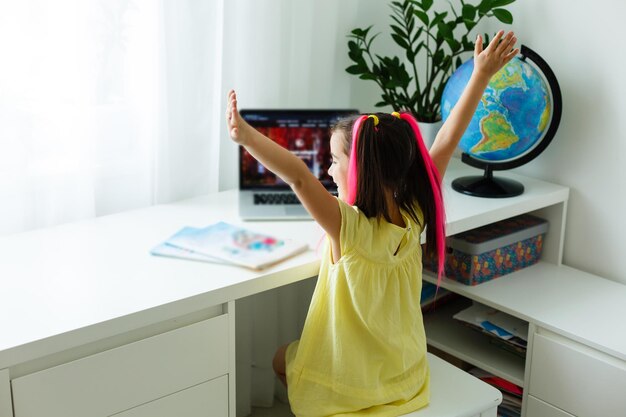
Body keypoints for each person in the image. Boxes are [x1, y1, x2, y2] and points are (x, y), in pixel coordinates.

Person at [226, 30, 518, 417]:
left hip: (350, 386)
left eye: (334, 160)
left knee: (281, 359)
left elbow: (297, 176)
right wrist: (480, 74)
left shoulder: (347, 227)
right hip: (405, 374)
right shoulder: (415, 211)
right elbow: (447, 139)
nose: (328, 170)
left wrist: (244, 135)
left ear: (361, 169)